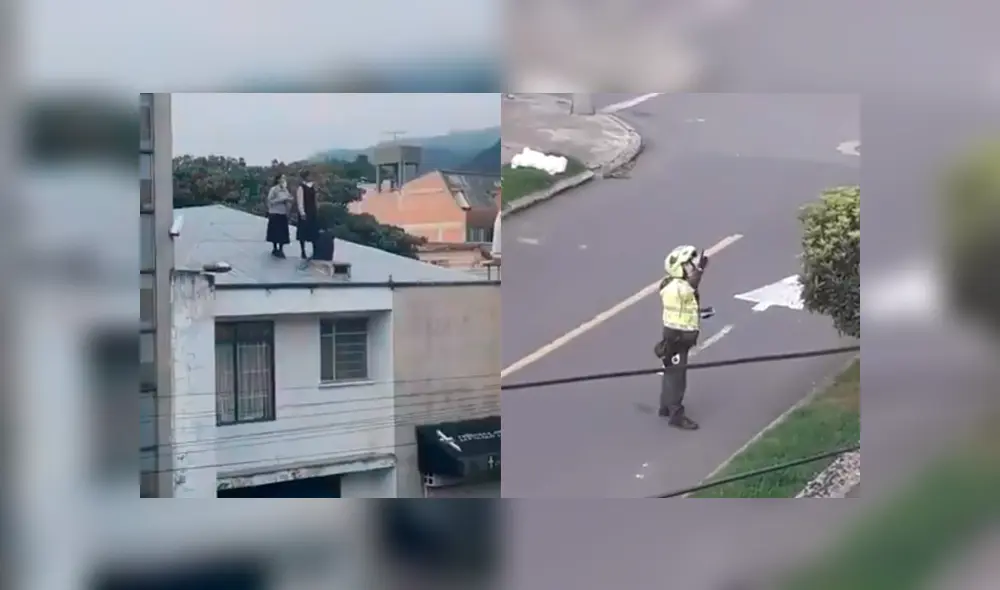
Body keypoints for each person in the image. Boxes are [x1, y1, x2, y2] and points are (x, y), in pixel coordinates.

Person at [654, 244, 709, 430]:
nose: (691, 267)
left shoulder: (674, 284)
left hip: (676, 335)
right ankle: (676, 414)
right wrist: (700, 270)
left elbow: (687, 298)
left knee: (670, 368)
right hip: (677, 336)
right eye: (688, 265)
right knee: (678, 376)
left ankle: (665, 406)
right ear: (678, 268)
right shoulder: (676, 287)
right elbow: (690, 289)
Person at [265, 174, 293, 258]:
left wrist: (289, 200)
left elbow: (288, 197)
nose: (284, 180)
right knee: (275, 232)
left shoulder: (285, 190)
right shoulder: (273, 189)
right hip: (275, 212)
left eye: (284, 178)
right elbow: (270, 201)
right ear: (278, 180)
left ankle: (281, 249)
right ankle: (275, 248)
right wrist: (281, 200)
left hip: (283, 213)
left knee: (282, 233)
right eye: (282, 178)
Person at [295, 169, 319, 260]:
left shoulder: (312, 186)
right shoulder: (301, 187)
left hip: (312, 211)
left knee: (313, 232)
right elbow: (300, 200)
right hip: (306, 211)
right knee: (303, 232)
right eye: (309, 175)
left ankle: (315, 251)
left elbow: (315, 199)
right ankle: (303, 251)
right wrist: (302, 212)